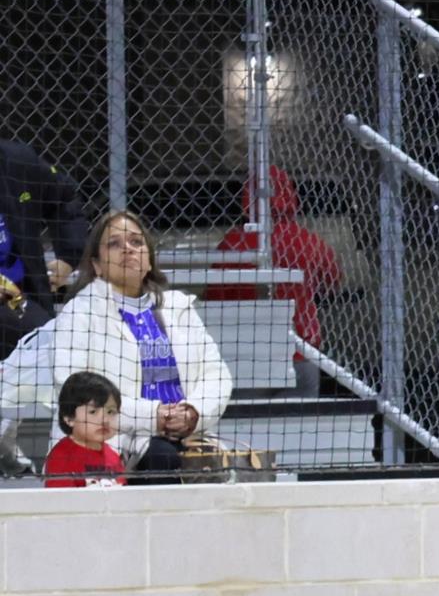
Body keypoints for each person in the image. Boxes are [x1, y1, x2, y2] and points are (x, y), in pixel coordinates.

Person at [48, 210, 233, 482]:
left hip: (187, 431)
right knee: (163, 457)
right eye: (114, 243)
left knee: (220, 467)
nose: (128, 249)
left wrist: (193, 412)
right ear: (97, 265)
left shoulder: (179, 307)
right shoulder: (79, 313)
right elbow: (72, 389)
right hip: (114, 436)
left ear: (148, 260)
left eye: (136, 242)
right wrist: (154, 416)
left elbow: (216, 373)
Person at [208, 166, 345, 395]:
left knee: (247, 423)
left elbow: (214, 297)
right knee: (301, 424)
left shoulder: (233, 243)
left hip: (249, 353)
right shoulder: (308, 240)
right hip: (300, 349)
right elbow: (333, 282)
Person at [0, 135, 88, 361]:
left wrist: (68, 257)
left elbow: (65, 198)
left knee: (60, 354)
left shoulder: (17, 162)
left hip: (20, 300)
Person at [42, 370, 126, 488]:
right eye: (93, 412)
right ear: (69, 418)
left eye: (110, 412)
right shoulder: (61, 456)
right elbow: (59, 502)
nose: (104, 420)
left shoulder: (114, 457)